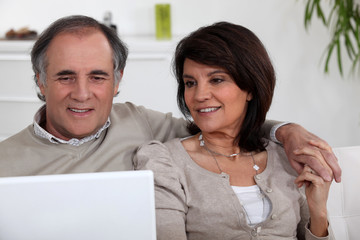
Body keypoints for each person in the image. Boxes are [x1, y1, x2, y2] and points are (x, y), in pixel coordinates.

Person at [0, 15, 339, 182]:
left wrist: (286, 130)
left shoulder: (142, 123)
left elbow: (223, 125)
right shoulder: (5, 161)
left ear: (117, 81)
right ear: (40, 81)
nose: (83, 93)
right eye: (65, 76)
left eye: (98, 76)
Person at [134, 22, 335, 239]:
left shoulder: (284, 155)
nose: (200, 95)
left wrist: (319, 212)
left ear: (250, 87)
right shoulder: (165, 162)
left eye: (217, 80)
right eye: (190, 83)